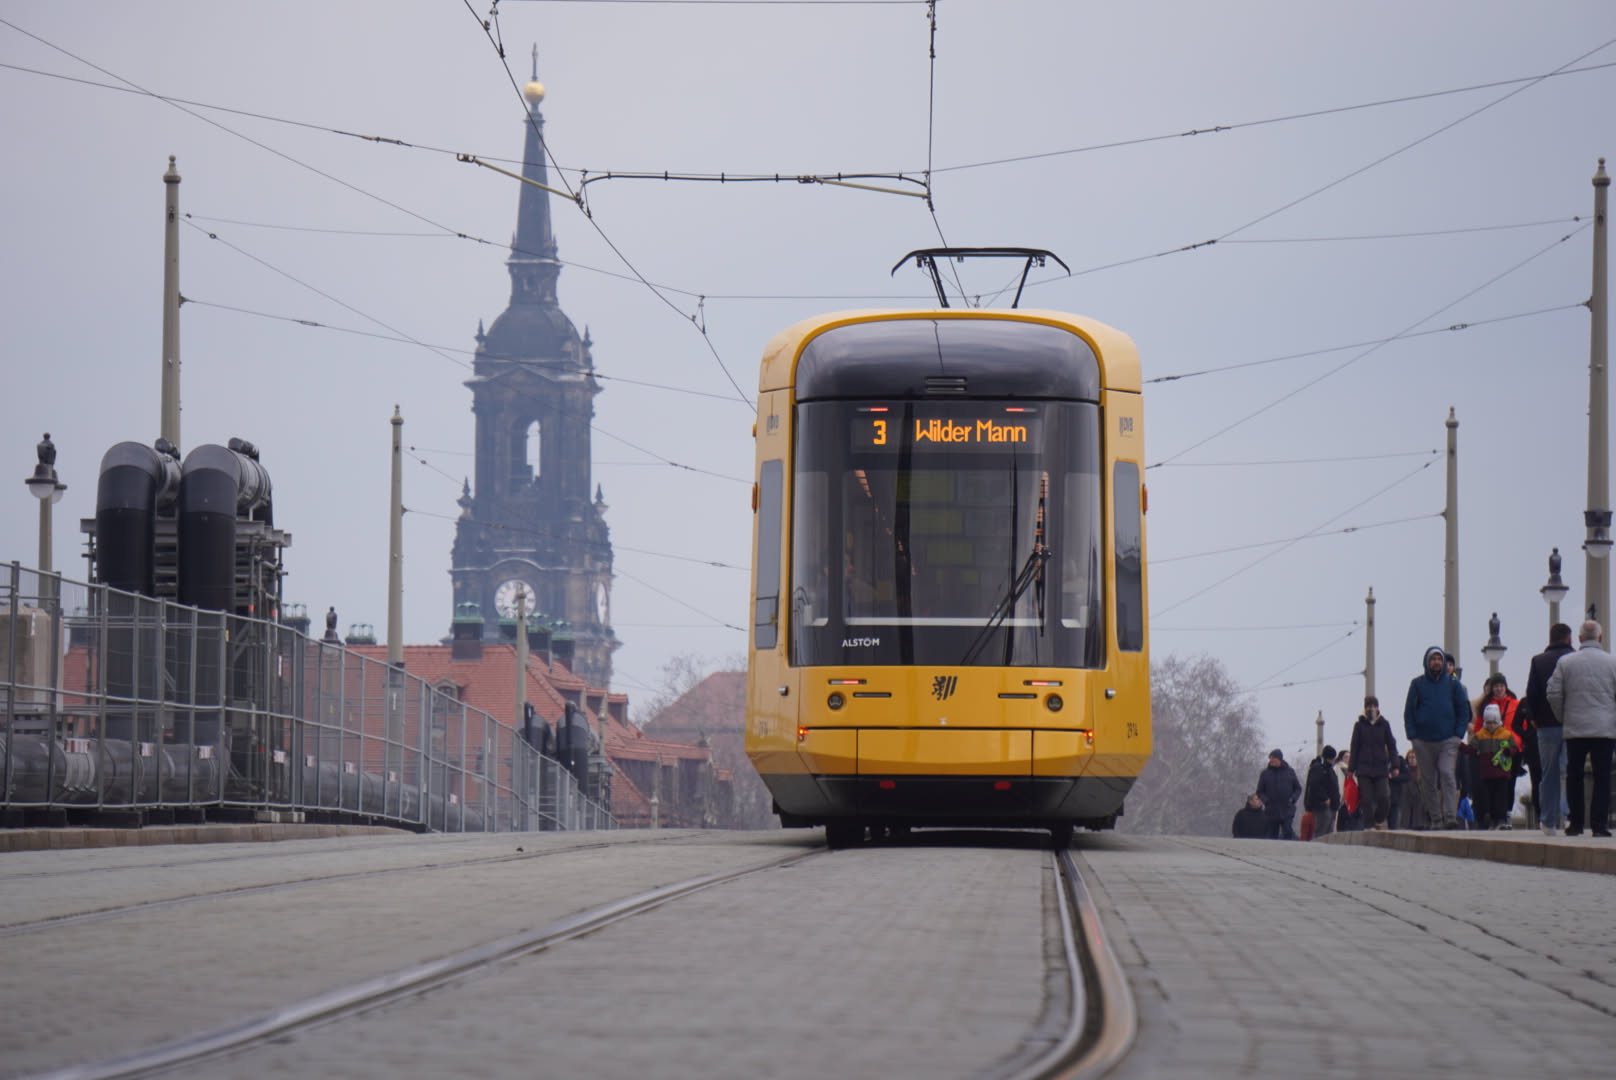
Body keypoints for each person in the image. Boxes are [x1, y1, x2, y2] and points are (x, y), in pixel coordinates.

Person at [1546, 620, 1616, 837]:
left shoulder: (1566, 663)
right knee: (1603, 777)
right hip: (1604, 729)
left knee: (1573, 775)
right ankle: (1599, 825)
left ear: (1579, 639)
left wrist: (1564, 716)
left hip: (1575, 728)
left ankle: (1575, 823)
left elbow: (1553, 693)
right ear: (1600, 638)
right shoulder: (1612, 662)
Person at [1405, 644, 1470, 829]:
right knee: (1428, 780)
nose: (1436, 662)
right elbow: (1409, 711)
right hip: (1423, 741)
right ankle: (1436, 818)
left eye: (1439, 659)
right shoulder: (1417, 684)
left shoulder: (1452, 684)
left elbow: (1463, 710)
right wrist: (1413, 736)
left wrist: (1459, 734)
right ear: (1427, 662)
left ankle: (1450, 815)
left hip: (1448, 740)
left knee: (1447, 773)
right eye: (1433, 659)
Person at [1525, 622, 1575, 835]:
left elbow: (1532, 693)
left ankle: (1548, 820)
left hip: (1545, 725)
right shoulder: (1575, 659)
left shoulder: (1538, 661)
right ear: (1569, 638)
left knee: (1549, 773)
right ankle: (1569, 814)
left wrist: (1535, 718)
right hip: (1573, 723)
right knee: (1570, 771)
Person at [1468, 674, 1520, 829]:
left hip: (1509, 749)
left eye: (1501, 686)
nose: (1498, 689)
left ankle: (1505, 815)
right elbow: (1478, 728)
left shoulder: (1515, 704)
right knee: (1492, 786)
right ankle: (1494, 816)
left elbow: (1520, 726)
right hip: (1490, 751)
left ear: (1505, 687)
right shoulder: (1485, 705)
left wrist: (1515, 745)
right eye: (1496, 686)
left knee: (1508, 784)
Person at [1350, 695, 1400, 830]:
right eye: (1368, 706)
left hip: (1380, 768)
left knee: (1384, 797)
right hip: (1363, 768)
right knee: (1366, 799)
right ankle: (1368, 824)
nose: (1371, 709)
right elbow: (1354, 747)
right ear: (1365, 708)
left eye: (1373, 706)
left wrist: (1395, 765)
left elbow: (1391, 745)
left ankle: (1378, 818)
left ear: (1378, 708)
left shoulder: (1384, 724)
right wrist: (1351, 768)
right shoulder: (1359, 725)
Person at [1256, 748, 1302, 840]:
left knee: (1287, 830)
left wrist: (1292, 799)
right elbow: (1260, 791)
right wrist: (1266, 801)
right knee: (1272, 834)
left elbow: (1298, 788)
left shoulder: (1290, 772)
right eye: (1270, 758)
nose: (1271, 760)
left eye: (1273, 758)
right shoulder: (1265, 773)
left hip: (1287, 809)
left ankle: (1289, 850)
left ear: (1279, 759)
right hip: (1271, 810)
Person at [1303, 745, 1341, 840]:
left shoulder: (1329, 769)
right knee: (1321, 831)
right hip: (1322, 805)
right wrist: (1324, 798)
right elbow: (1315, 786)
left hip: (1332, 805)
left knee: (1328, 831)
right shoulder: (1318, 768)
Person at [1386, 748, 1410, 829]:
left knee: (1394, 824)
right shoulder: (1378, 759)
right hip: (1379, 796)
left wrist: (1393, 777)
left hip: (1394, 796)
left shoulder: (1399, 760)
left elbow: (1407, 776)